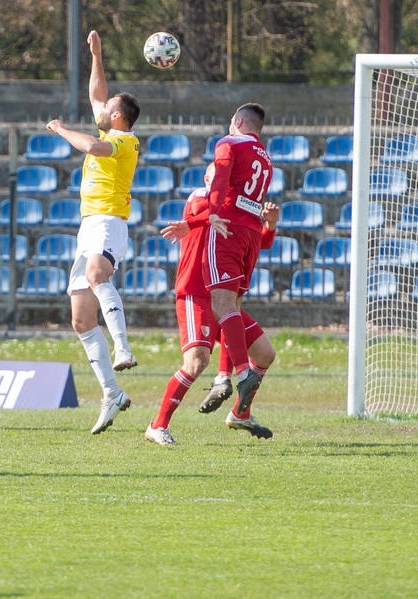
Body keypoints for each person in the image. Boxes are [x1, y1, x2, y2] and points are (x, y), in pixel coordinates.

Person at [46, 30, 141, 434]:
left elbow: (91, 148)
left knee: (97, 276)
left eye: (107, 110)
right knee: (81, 319)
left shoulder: (123, 141)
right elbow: (97, 95)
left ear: (117, 117)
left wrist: (61, 130)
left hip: (107, 222)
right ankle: (111, 392)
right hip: (90, 226)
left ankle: (122, 345)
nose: (99, 110)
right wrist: (97, 56)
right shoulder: (110, 126)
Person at [151, 164, 277, 444]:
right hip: (196, 291)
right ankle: (157, 426)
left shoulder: (233, 208)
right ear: (208, 179)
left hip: (221, 295)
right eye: (216, 175)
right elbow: (205, 214)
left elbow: (260, 242)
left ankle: (239, 413)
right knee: (196, 361)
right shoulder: (199, 197)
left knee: (265, 354)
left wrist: (269, 224)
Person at [203, 103, 274, 423]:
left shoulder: (229, 143)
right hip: (250, 234)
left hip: (227, 227)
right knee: (231, 305)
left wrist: (214, 208)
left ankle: (241, 371)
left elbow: (220, 175)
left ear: (239, 121)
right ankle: (224, 376)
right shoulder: (267, 160)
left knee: (221, 304)